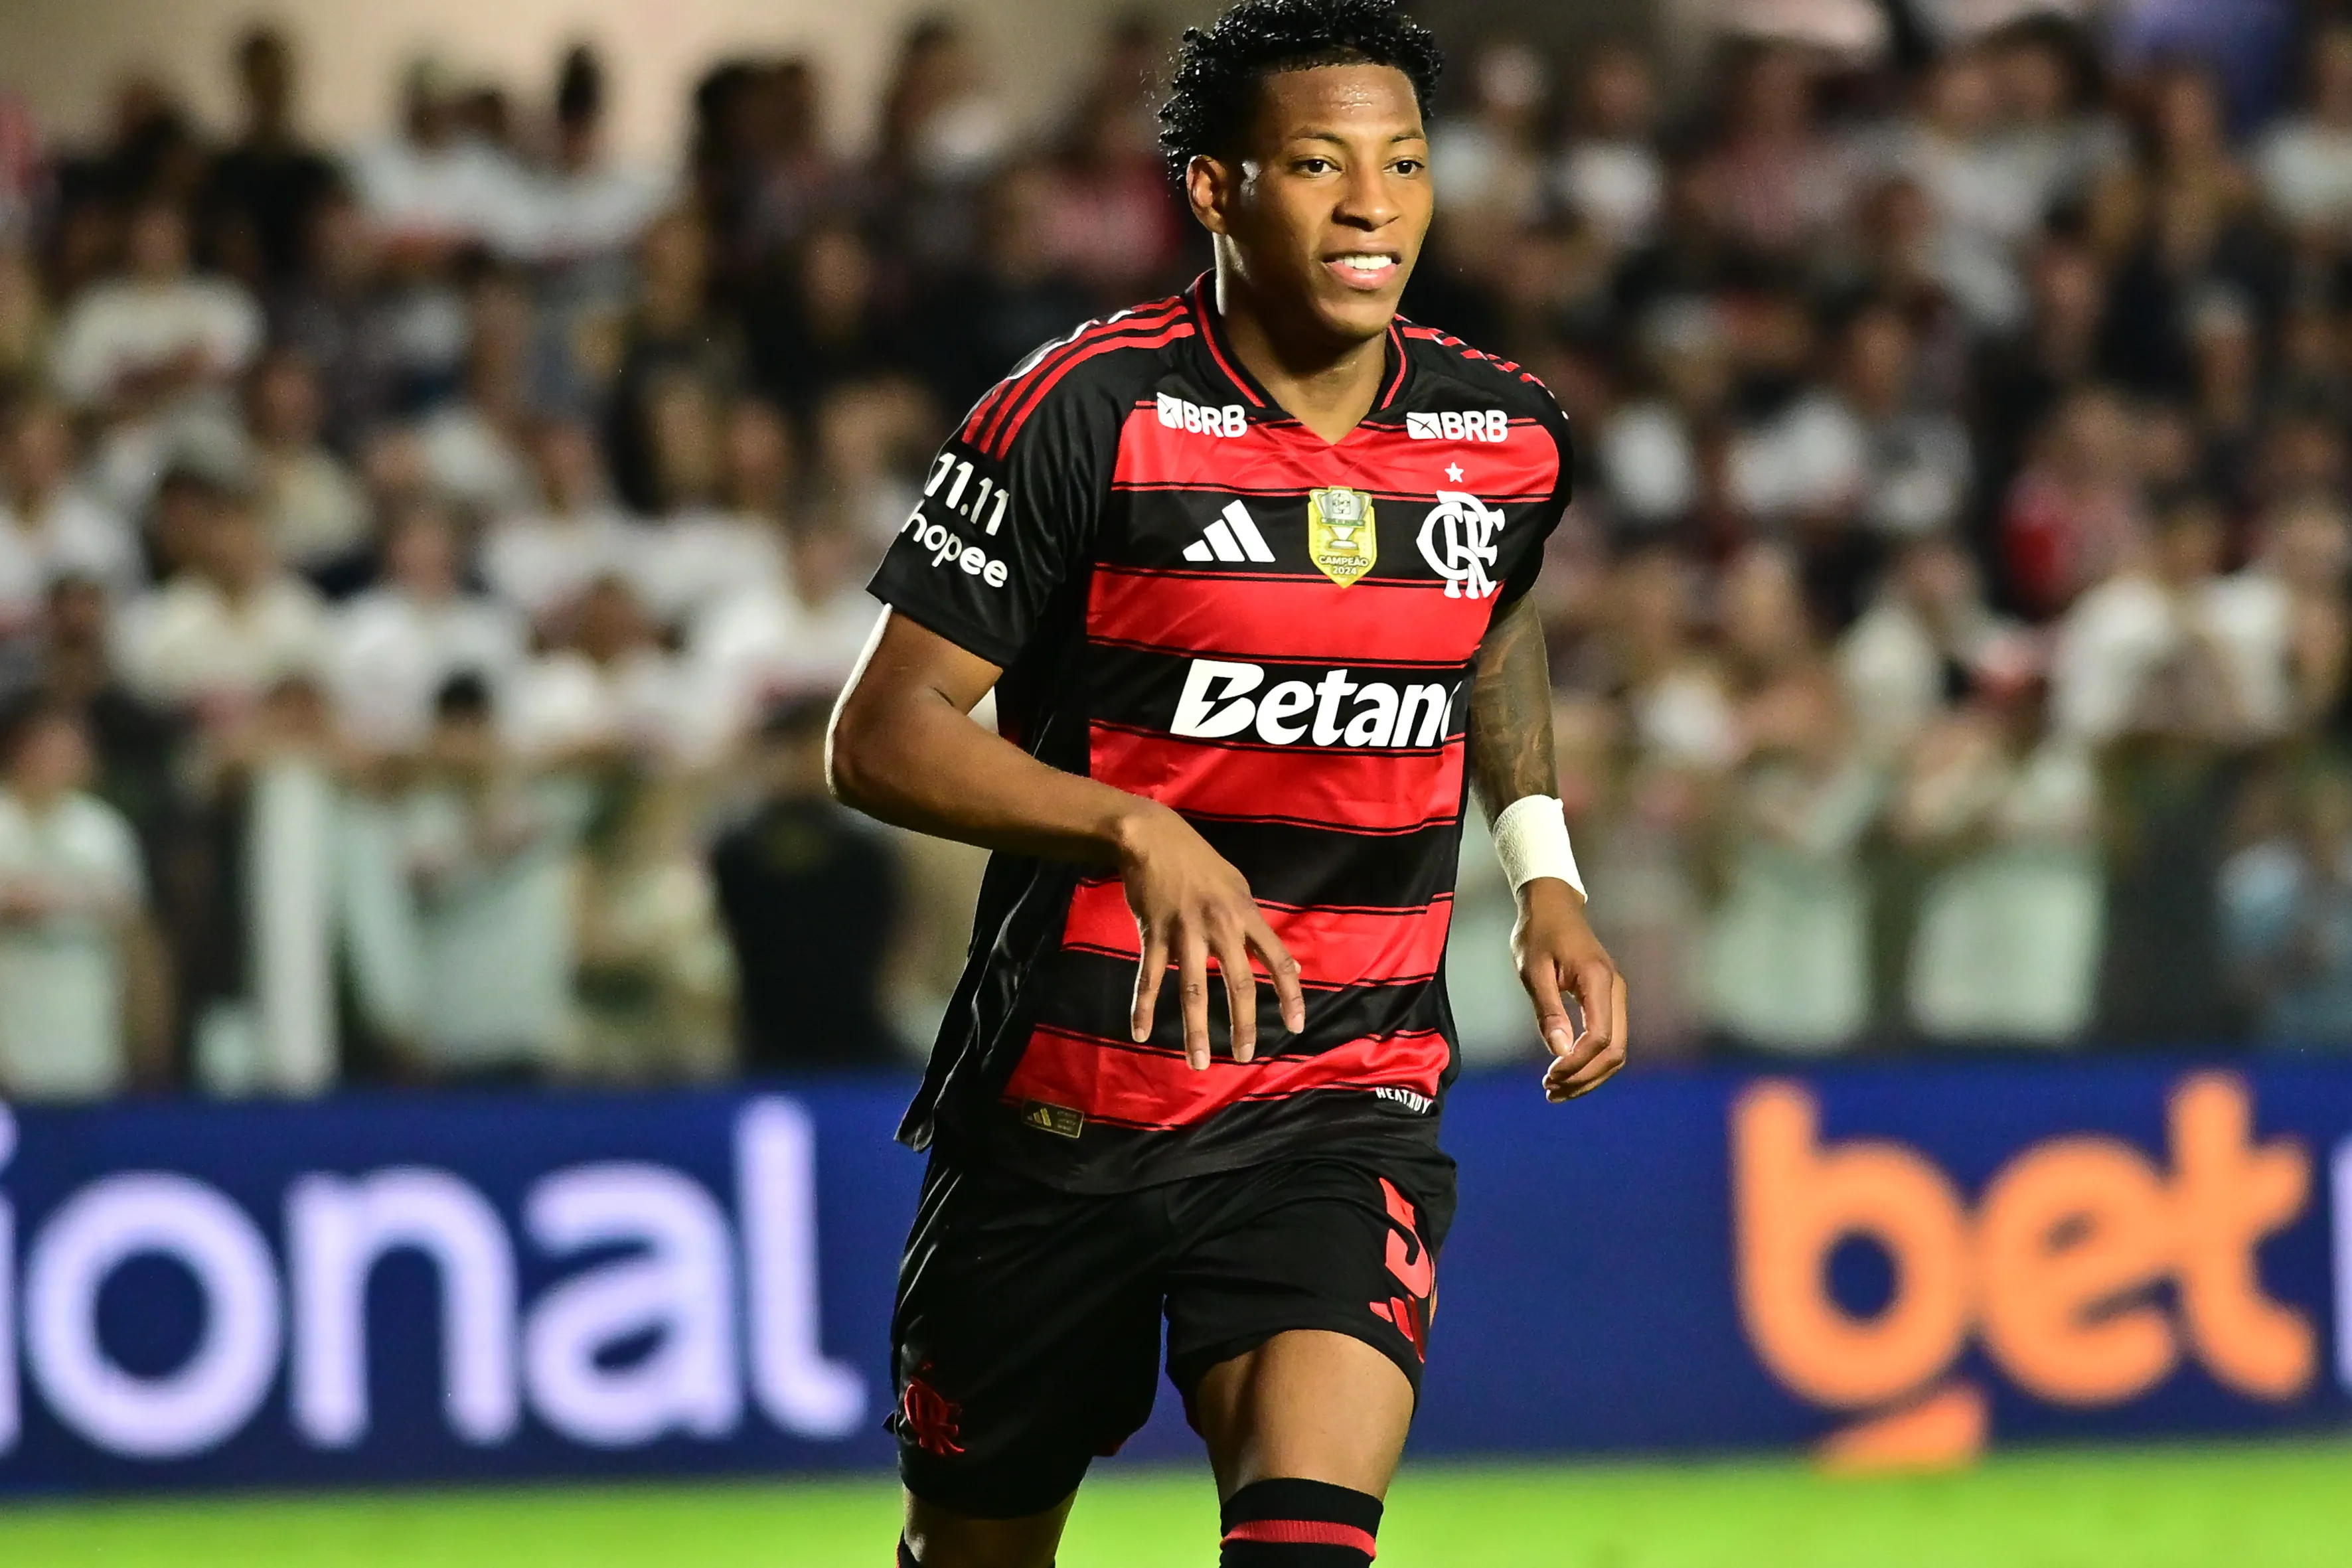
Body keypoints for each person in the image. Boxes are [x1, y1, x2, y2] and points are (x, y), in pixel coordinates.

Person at [825, 6, 1626, 1565]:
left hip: (1340, 1096)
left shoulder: (1506, 438)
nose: (1371, 204)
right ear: (1214, 188)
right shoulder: (1086, 414)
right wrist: (1130, 826)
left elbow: (1488, 620)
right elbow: (883, 732)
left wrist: (1543, 870)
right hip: (1072, 1107)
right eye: (1318, 165)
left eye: (1402, 164)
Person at [711, 693, 904, 1071]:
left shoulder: (866, 851)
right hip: (765, 1035)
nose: (803, 761)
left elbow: (895, 934)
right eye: (792, 747)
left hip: (856, 1033)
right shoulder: (736, 851)